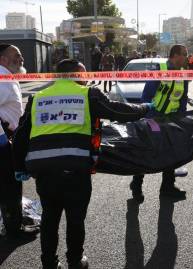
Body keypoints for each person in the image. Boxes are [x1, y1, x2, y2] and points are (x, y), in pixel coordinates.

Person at [12, 59, 153, 269]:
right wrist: (145, 108)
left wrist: (19, 167)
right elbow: (119, 111)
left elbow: (21, 135)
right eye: (84, 73)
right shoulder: (88, 94)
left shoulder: (37, 98)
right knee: (75, 219)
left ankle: (49, 263)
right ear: (77, 73)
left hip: (45, 173)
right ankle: (75, 261)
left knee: (50, 219)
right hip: (75, 169)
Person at [129, 44, 189, 203]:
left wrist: (180, 120)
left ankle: (168, 187)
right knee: (146, 151)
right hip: (154, 119)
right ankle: (136, 185)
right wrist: (149, 121)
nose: (187, 57)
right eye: (185, 54)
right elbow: (146, 97)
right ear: (175, 55)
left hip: (171, 120)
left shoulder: (183, 74)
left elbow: (182, 99)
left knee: (171, 152)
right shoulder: (160, 71)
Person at [0, 43, 39, 239]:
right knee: (9, 187)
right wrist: (3, 136)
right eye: (17, 55)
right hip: (3, 145)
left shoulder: (6, 77)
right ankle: (13, 230)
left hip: (7, 141)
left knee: (8, 186)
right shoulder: (2, 79)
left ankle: (12, 222)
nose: (22, 59)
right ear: (3, 59)